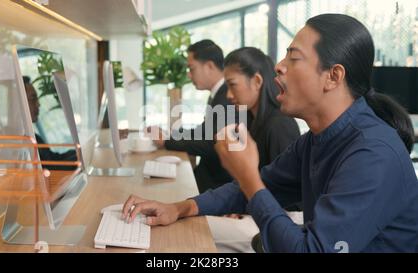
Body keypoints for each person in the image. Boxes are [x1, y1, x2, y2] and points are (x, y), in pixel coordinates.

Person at [121, 14, 418, 253]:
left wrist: (249, 177)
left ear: (333, 76)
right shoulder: (315, 140)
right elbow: (262, 185)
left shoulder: (373, 154)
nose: (279, 66)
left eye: (293, 57)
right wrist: (180, 207)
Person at [146, 39, 236, 193]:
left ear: (209, 66)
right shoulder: (217, 94)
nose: (188, 74)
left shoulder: (226, 97)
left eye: (191, 68)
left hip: (217, 184)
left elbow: (210, 144)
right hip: (208, 177)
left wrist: (168, 141)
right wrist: (172, 135)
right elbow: (203, 131)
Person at [23, 76, 78, 170]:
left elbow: (53, 159)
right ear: (19, 102)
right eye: (33, 99)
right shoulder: (21, 144)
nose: (38, 104)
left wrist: (78, 153)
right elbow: (51, 169)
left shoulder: (34, 137)